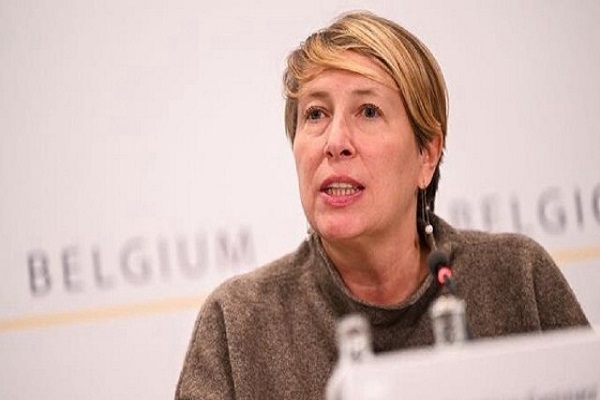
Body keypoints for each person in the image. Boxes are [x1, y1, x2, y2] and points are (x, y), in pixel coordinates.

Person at [175, 10, 588, 400]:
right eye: (315, 114)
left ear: (427, 155)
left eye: (369, 111)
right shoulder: (238, 324)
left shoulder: (517, 279)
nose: (335, 142)